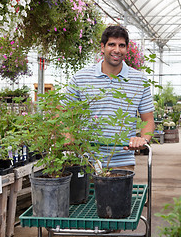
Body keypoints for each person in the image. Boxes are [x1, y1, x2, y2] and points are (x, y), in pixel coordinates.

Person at [65, 25, 155, 172]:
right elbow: (63, 111)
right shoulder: (81, 78)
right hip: (85, 161)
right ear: (102, 47)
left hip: (122, 162)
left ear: (126, 49)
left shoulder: (139, 80)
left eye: (122, 45)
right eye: (112, 44)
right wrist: (68, 134)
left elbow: (148, 119)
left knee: (119, 196)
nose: (117, 50)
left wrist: (143, 139)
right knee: (85, 196)